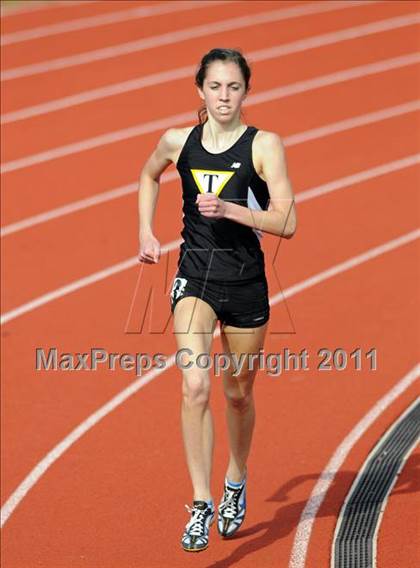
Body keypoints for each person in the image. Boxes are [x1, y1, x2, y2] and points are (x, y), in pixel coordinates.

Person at [138, 48, 296, 552]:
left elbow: (287, 222)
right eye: (215, 87)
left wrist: (232, 208)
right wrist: (146, 232)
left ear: (246, 91)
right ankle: (202, 502)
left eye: (233, 87)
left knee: (238, 393)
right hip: (195, 278)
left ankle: (236, 478)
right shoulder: (176, 141)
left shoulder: (264, 145)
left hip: (246, 282)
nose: (224, 96)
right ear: (199, 90)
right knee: (195, 386)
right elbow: (147, 175)